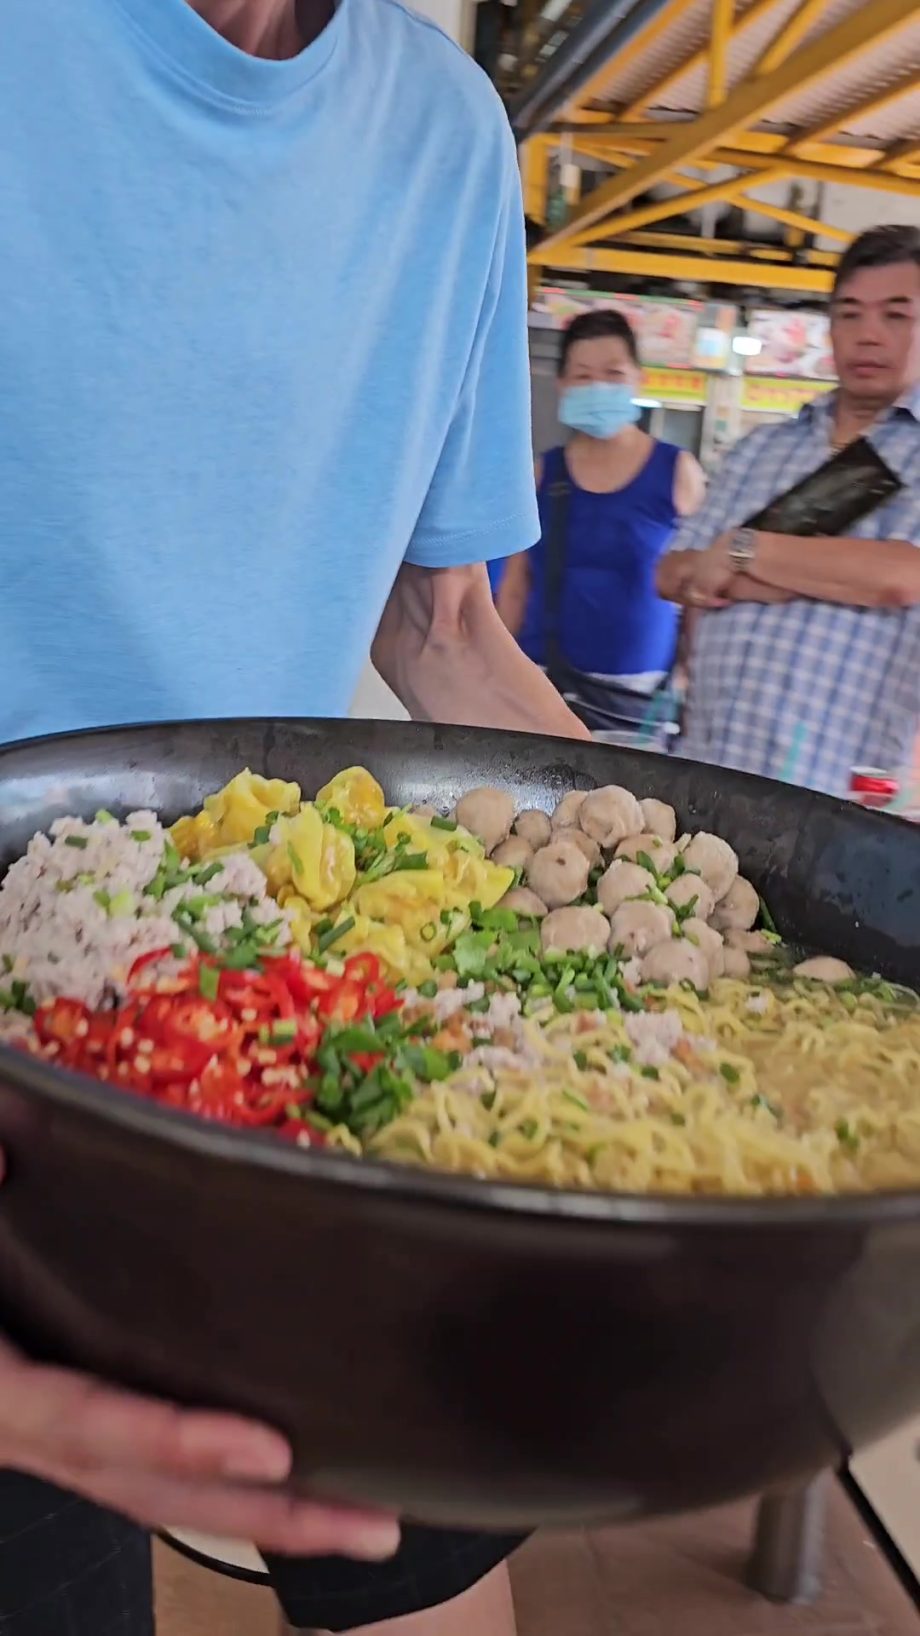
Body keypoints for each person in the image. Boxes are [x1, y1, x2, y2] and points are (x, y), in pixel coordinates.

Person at [0, 0, 588, 1631]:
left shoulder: (447, 134)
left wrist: (723, 866)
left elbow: (439, 621)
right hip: (27, 1058)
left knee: (426, 1560)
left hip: (295, 996)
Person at [658, 224, 920, 795]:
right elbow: (674, 571)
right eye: (850, 313)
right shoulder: (761, 449)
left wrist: (743, 550)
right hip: (709, 767)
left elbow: (901, 576)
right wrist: (820, 576)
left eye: (896, 315)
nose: (868, 334)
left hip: (832, 793)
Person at [496, 310, 705, 741]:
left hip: (639, 699)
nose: (598, 387)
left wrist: (694, 676)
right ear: (562, 385)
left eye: (613, 374)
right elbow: (517, 583)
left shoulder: (677, 472)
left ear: (638, 379)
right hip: (544, 685)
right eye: (583, 376)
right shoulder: (543, 474)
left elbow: (699, 588)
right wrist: (496, 672)